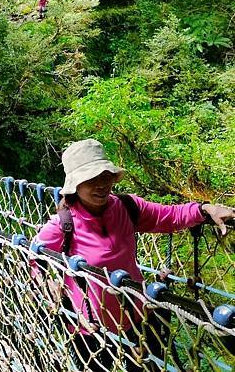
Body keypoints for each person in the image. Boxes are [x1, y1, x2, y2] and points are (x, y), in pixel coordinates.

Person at [33, 138, 234, 371]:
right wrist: (48, 281)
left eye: (105, 176)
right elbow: (36, 256)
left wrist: (204, 209)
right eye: (90, 179)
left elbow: (168, 216)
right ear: (75, 185)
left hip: (137, 317)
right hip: (90, 327)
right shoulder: (62, 224)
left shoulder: (127, 207)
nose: (101, 185)